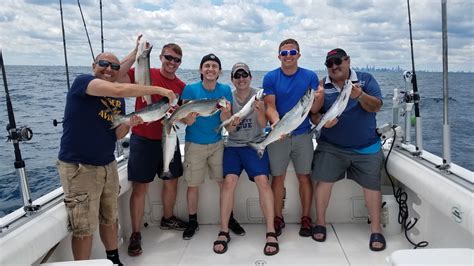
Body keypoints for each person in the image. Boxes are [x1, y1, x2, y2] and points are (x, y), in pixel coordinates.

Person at [57, 45, 176, 264]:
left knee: (110, 218)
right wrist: (160, 91)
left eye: (114, 66)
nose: (109, 69)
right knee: (84, 227)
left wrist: (129, 123)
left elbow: (118, 134)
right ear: (94, 66)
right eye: (103, 64)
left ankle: (114, 259)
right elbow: (120, 89)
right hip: (80, 167)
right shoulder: (83, 82)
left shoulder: (117, 101)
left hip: (107, 164)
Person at [310, 48, 385, 251]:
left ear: (348, 61)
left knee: (372, 186)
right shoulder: (321, 85)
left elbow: (377, 106)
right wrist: (321, 122)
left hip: (366, 147)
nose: (334, 67)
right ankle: (320, 223)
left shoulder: (365, 80)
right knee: (323, 182)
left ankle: (376, 229)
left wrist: (359, 95)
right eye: (329, 64)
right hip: (331, 146)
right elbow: (314, 115)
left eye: (337, 61)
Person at [121, 42, 187, 257]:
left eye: (176, 60)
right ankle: (136, 234)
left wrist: (192, 116)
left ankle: (168, 218)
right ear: (160, 57)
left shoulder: (181, 85)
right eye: (168, 57)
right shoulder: (145, 73)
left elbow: (182, 114)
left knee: (171, 180)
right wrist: (136, 53)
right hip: (142, 139)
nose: (172, 63)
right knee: (140, 188)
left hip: (168, 137)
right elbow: (118, 78)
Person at [213, 63, 278, 256]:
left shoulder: (260, 94)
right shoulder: (227, 99)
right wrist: (231, 121)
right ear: (232, 79)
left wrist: (259, 110)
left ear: (250, 77)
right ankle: (224, 230)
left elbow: (263, 124)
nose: (241, 78)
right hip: (233, 146)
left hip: (255, 144)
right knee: (229, 182)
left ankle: (271, 231)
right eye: (237, 75)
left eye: (245, 75)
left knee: (263, 181)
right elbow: (229, 130)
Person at [180, 54, 245, 240]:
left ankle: (229, 218)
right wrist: (188, 119)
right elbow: (185, 118)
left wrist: (226, 114)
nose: (210, 69)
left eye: (214, 66)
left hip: (217, 144)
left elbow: (226, 120)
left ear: (220, 71)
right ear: (201, 70)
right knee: (193, 185)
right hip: (195, 145)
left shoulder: (224, 89)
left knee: (224, 184)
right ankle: (193, 221)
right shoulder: (190, 89)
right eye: (207, 65)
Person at [263, 38, 320, 237]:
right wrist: (276, 124)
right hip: (279, 135)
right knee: (278, 178)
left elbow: (313, 108)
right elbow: (270, 106)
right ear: (279, 56)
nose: (288, 56)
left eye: (292, 52)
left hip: (303, 134)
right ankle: (277, 217)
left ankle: (306, 217)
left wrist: (319, 98)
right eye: (284, 53)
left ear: (298, 54)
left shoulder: (310, 76)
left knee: (304, 177)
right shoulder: (270, 77)